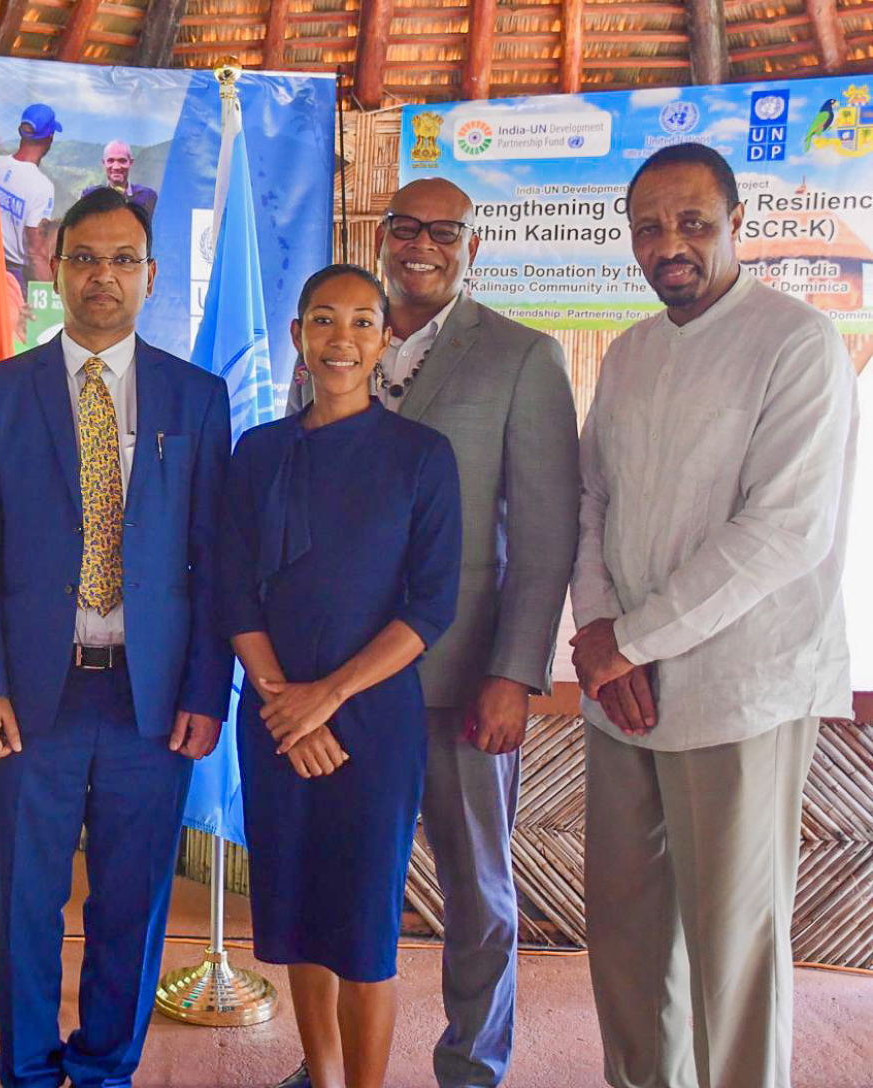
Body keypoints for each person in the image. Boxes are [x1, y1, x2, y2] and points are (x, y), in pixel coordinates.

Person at [570, 142, 856, 1088]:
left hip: (740, 694)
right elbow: (591, 503)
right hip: (626, 697)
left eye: (693, 221)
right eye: (649, 226)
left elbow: (783, 532)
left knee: (732, 950)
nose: (670, 244)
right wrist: (607, 638)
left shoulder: (797, 342)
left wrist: (632, 643)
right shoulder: (631, 353)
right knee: (625, 936)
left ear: (738, 223)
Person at [288, 178, 580, 1088]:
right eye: (405, 229)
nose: (422, 246)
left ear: (472, 247)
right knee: (336, 875)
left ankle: (470, 1064)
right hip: (335, 679)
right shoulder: (345, 342)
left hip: (458, 676)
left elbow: (544, 533)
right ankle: (328, 1063)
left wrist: (515, 672)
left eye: (444, 233)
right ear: (382, 238)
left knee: (476, 888)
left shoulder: (522, 358)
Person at [0, 187, 232, 1088]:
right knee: (26, 898)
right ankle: (29, 1070)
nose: (101, 277)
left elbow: (214, 561)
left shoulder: (199, 396)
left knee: (133, 901)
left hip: (151, 702)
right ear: (53, 266)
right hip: (35, 694)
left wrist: (201, 692)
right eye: (84, 259)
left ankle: (107, 1066)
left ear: (150, 276)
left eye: (121, 261)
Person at [220, 264, 461, 1088]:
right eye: (323, 320)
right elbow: (231, 588)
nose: (342, 340)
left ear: (385, 340)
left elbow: (430, 609)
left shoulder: (423, 457)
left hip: (372, 724)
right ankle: (320, 1074)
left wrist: (326, 701)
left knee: (361, 927)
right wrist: (286, 704)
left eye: (363, 322)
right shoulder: (256, 453)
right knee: (294, 909)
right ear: (297, 336)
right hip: (276, 716)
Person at [0, 104, 60, 291]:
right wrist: (52, 295)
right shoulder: (42, 187)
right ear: (50, 137)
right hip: (12, 279)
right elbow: (35, 252)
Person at [80, 141, 157, 220]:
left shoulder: (147, 196)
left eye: (122, 161)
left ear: (130, 163)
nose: (116, 167)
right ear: (104, 163)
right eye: (110, 161)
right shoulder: (90, 195)